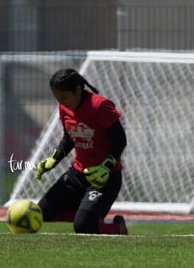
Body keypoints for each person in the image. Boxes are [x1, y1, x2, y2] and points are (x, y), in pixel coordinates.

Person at [35, 68, 128, 235]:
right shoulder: (65, 108)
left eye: (64, 97)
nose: (61, 102)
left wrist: (105, 167)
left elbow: (120, 140)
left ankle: (117, 228)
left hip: (103, 180)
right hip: (76, 176)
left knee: (83, 227)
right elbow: (70, 138)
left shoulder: (100, 106)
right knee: (40, 214)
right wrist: (53, 159)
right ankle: (86, 213)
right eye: (58, 99)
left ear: (78, 89)